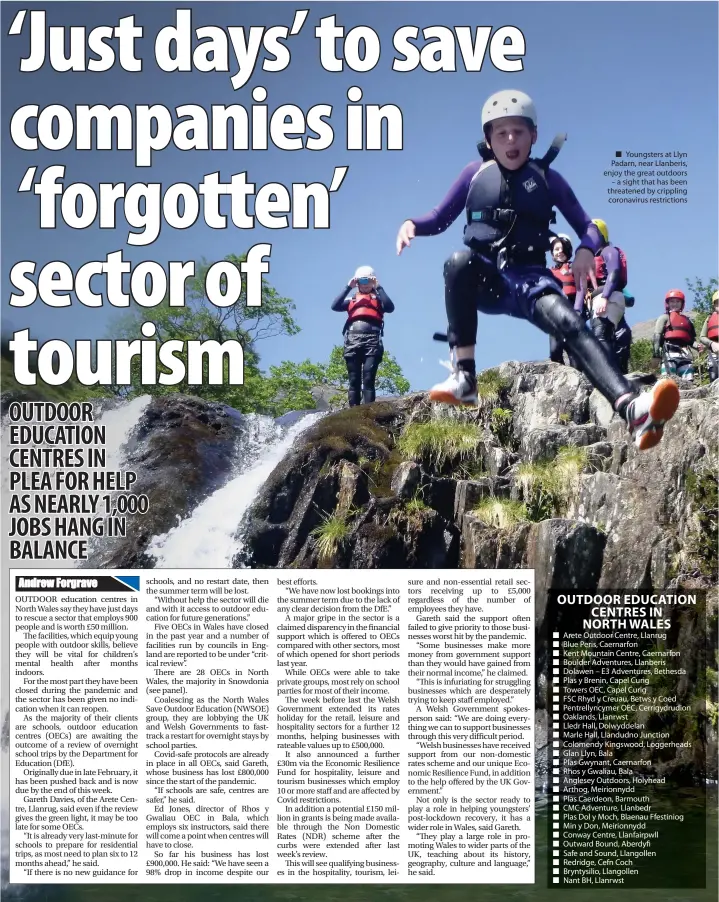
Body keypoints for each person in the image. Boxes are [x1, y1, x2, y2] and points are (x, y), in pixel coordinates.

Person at [394, 88, 680, 451]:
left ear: (534, 136)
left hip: (529, 278)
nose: (510, 140)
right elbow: (438, 218)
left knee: (571, 323)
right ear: (489, 139)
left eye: (518, 131)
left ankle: (633, 409)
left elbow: (587, 226)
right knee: (456, 263)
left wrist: (585, 250)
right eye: (501, 132)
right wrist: (412, 224)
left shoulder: (548, 179)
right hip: (485, 278)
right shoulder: (474, 174)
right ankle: (463, 379)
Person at [332, 266, 395, 406]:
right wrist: (348, 287)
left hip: (372, 341)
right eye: (362, 281)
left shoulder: (379, 299)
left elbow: (390, 308)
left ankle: (368, 412)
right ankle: (354, 412)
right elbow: (334, 306)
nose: (365, 284)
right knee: (354, 379)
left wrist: (379, 287)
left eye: (369, 281)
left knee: (368, 377)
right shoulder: (351, 299)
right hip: (352, 341)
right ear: (357, 282)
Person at [587, 218, 628, 359]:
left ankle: (607, 374)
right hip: (604, 298)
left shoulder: (608, 250)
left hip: (607, 297)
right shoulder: (595, 256)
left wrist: (604, 297)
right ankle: (617, 371)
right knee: (610, 336)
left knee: (601, 336)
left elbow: (614, 272)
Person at [548, 234, 580, 365]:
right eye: (556, 249)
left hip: (572, 310)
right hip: (555, 314)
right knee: (555, 349)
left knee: (574, 351)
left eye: (562, 248)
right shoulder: (549, 272)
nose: (559, 252)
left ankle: (578, 377)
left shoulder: (575, 268)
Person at [653, 289, 697, 382]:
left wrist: (698, 346)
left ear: (682, 304)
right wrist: (656, 354)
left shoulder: (687, 321)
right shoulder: (664, 317)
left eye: (678, 301)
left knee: (688, 380)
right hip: (669, 353)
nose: (675, 303)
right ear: (667, 303)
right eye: (672, 301)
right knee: (667, 380)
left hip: (684, 354)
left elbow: (691, 340)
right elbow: (657, 335)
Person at [698, 289, 719, 383]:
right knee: (714, 378)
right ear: (714, 305)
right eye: (717, 303)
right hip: (714, 352)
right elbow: (702, 337)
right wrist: (711, 344)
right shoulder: (709, 318)